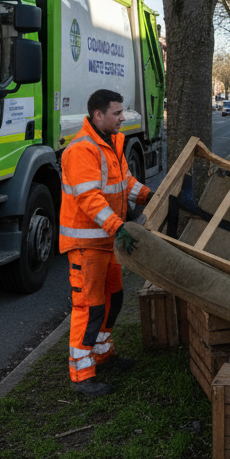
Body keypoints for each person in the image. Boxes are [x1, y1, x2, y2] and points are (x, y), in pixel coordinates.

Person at [58, 89, 152, 397]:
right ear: (99, 115)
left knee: (113, 298)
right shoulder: (80, 150)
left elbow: (124, 183)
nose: (123, 118)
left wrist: (150, 196)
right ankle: (82, 374)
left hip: (106, 240)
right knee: (89, 306)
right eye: (117, 113)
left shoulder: (112, 143)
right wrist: (118, 227)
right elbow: (89, 198)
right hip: (87, 244)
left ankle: (102, 353)